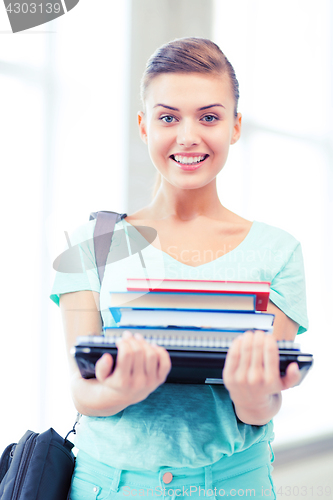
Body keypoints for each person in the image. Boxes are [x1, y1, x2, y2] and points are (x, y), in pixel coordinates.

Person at [51, 37, 308, 500]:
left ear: (234, 126)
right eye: (168, 117)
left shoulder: (278, 252)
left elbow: (262, 407)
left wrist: (253, 396)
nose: (188, 136)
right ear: (144, 126)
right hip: (106, 488)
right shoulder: (92, 245)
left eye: (209, 116)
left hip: (233, 487)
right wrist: (122, 391)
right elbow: (81, 391)